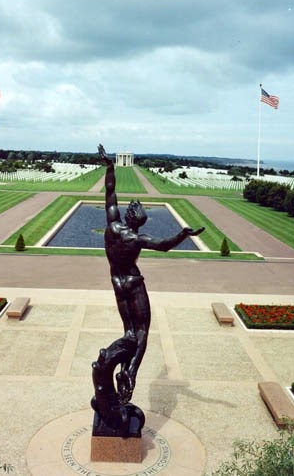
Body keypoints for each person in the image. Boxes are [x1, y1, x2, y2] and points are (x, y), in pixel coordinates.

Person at [97, 144, 204, 401]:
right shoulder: (137, 238)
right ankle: (131, 372)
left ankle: (123, 372)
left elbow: (110, 192)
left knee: (128, 332)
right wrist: (183, 234)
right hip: (133, 283)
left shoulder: (113, 225)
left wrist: (110, 166)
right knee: (142, 330)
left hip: (117, 282)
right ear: (138, 218)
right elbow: (164, 246)